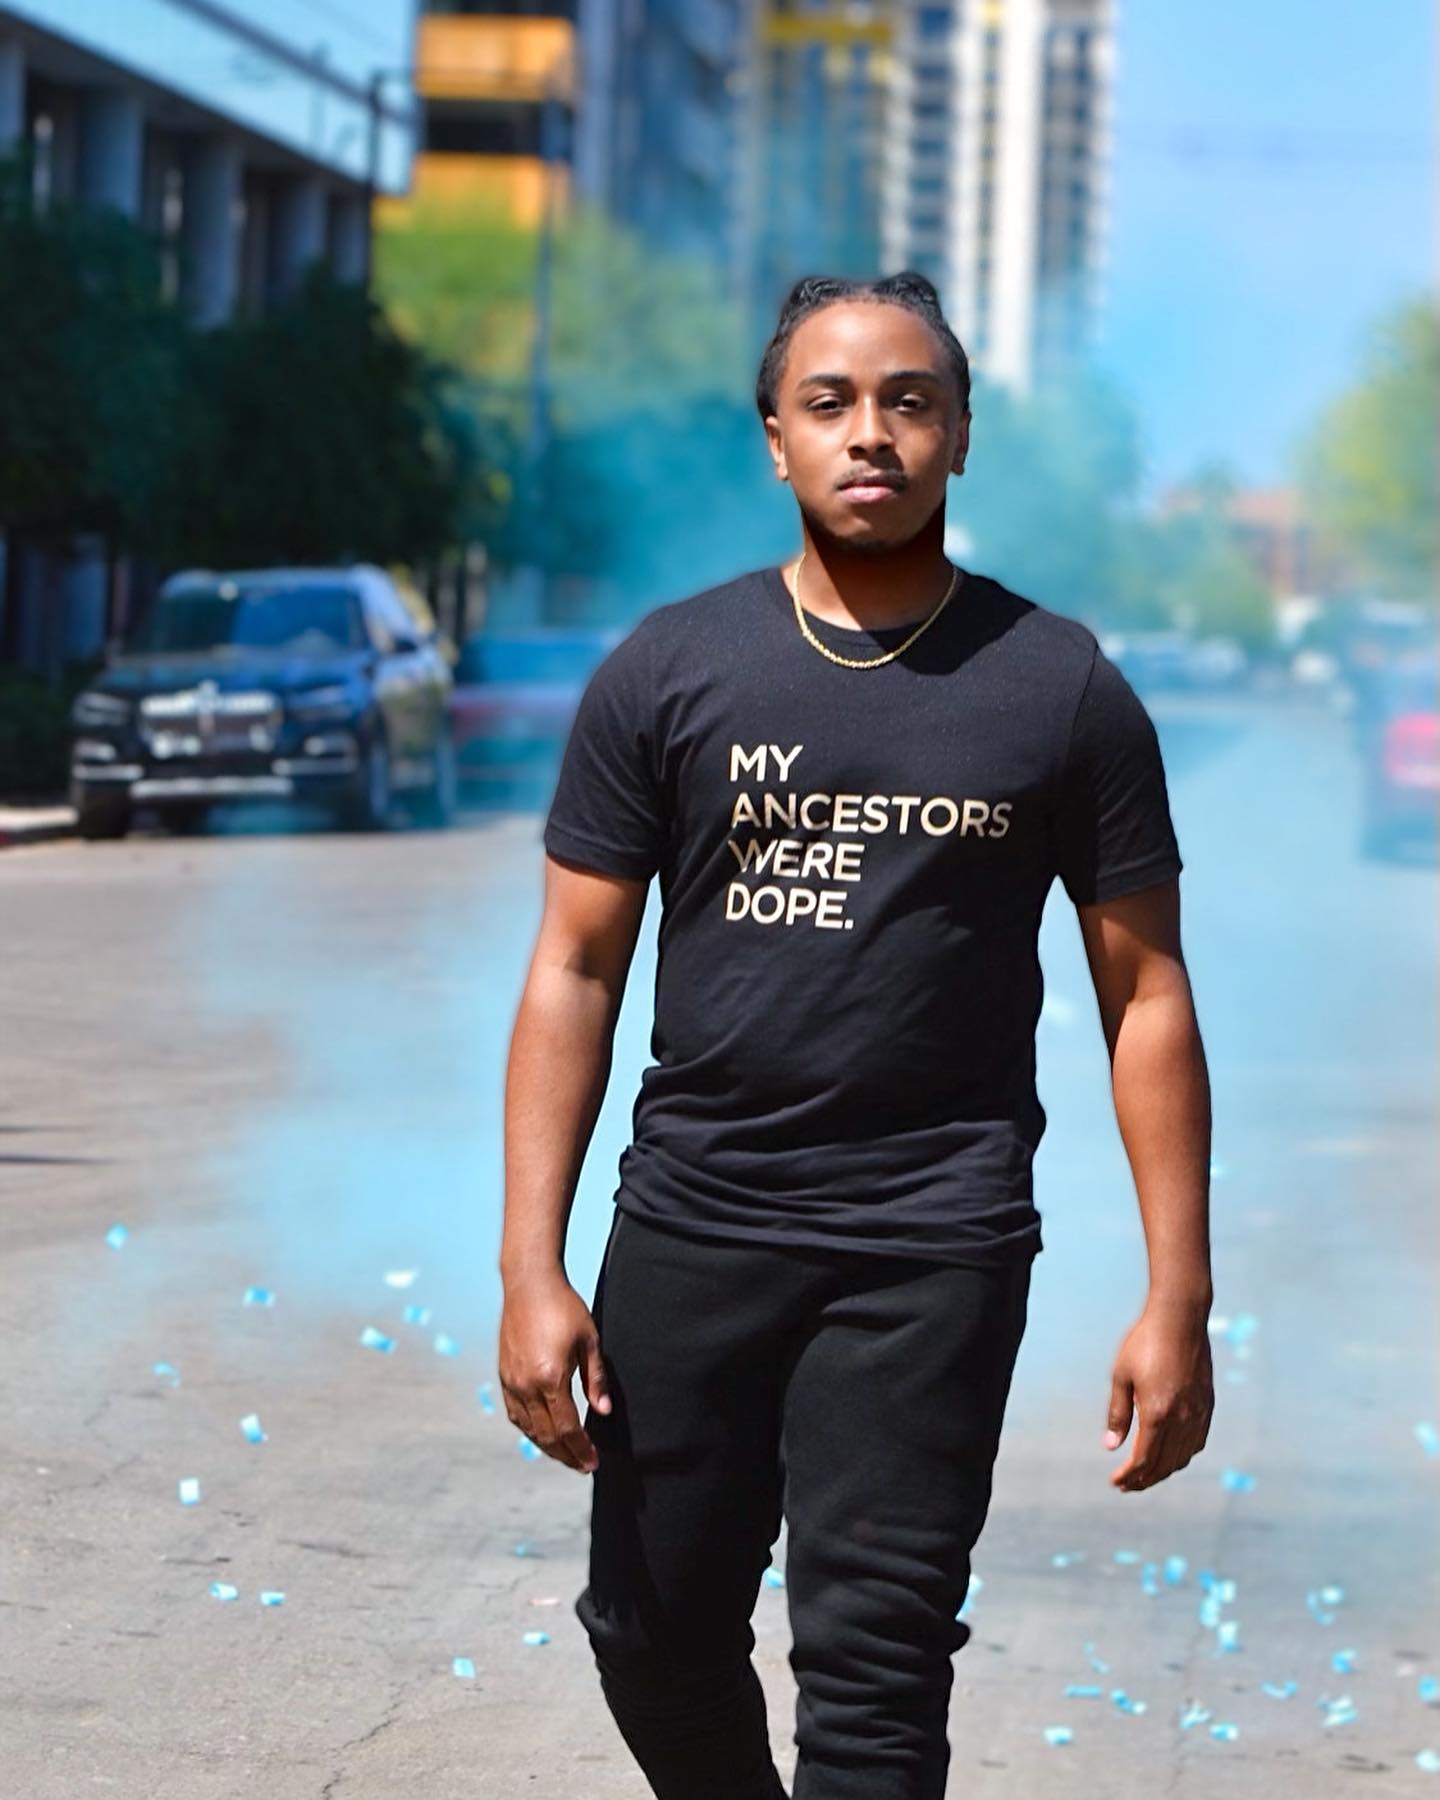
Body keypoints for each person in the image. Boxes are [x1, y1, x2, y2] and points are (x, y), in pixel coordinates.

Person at [497, 271, 1215, 1800]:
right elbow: (573, 968)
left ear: (961, 437)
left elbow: (1144, 991)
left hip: (933, 1240)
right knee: (649, 1623)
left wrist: (1179, 1293)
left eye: (909, 402)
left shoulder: (1062, 687)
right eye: (829, 403)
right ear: (774, 442)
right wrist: (529, 1264)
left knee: (876, 1661)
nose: (869, 433)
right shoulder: (670, 670)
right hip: (695, 1223)